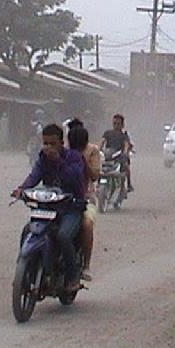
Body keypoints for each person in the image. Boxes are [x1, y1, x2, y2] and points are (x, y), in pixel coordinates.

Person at [13, 124, 86, 293]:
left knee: (63, 236)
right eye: (45, 143)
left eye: (52, 144)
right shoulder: (42, 159)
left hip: (71, 208)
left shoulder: (74, 157)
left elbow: (75, 179)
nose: (48, 147)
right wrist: (21, 189)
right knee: (27, 231)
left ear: (61, 143)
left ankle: (72, 274)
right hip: (47, 207)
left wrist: (58, 161)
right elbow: (34, 176)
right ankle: (23, 271)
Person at [67, 119, 101, 282]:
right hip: (66, 198)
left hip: (87, 198)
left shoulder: (93, 151)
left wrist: (82, 160)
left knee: (86, 225)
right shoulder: (63, 151)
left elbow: (94, 176)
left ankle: (86, 265)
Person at [101, 114, 133, 193]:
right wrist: (99, 149)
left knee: (126, 166)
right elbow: (102, 142)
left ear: (122, 125)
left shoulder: (124, 135)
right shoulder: (107, 133)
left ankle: (129, 184)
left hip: (120, 156)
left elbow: (126, 144)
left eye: (118, 124)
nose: (116, 126)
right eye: (114, 123)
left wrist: (125, 152)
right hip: (108, 155)